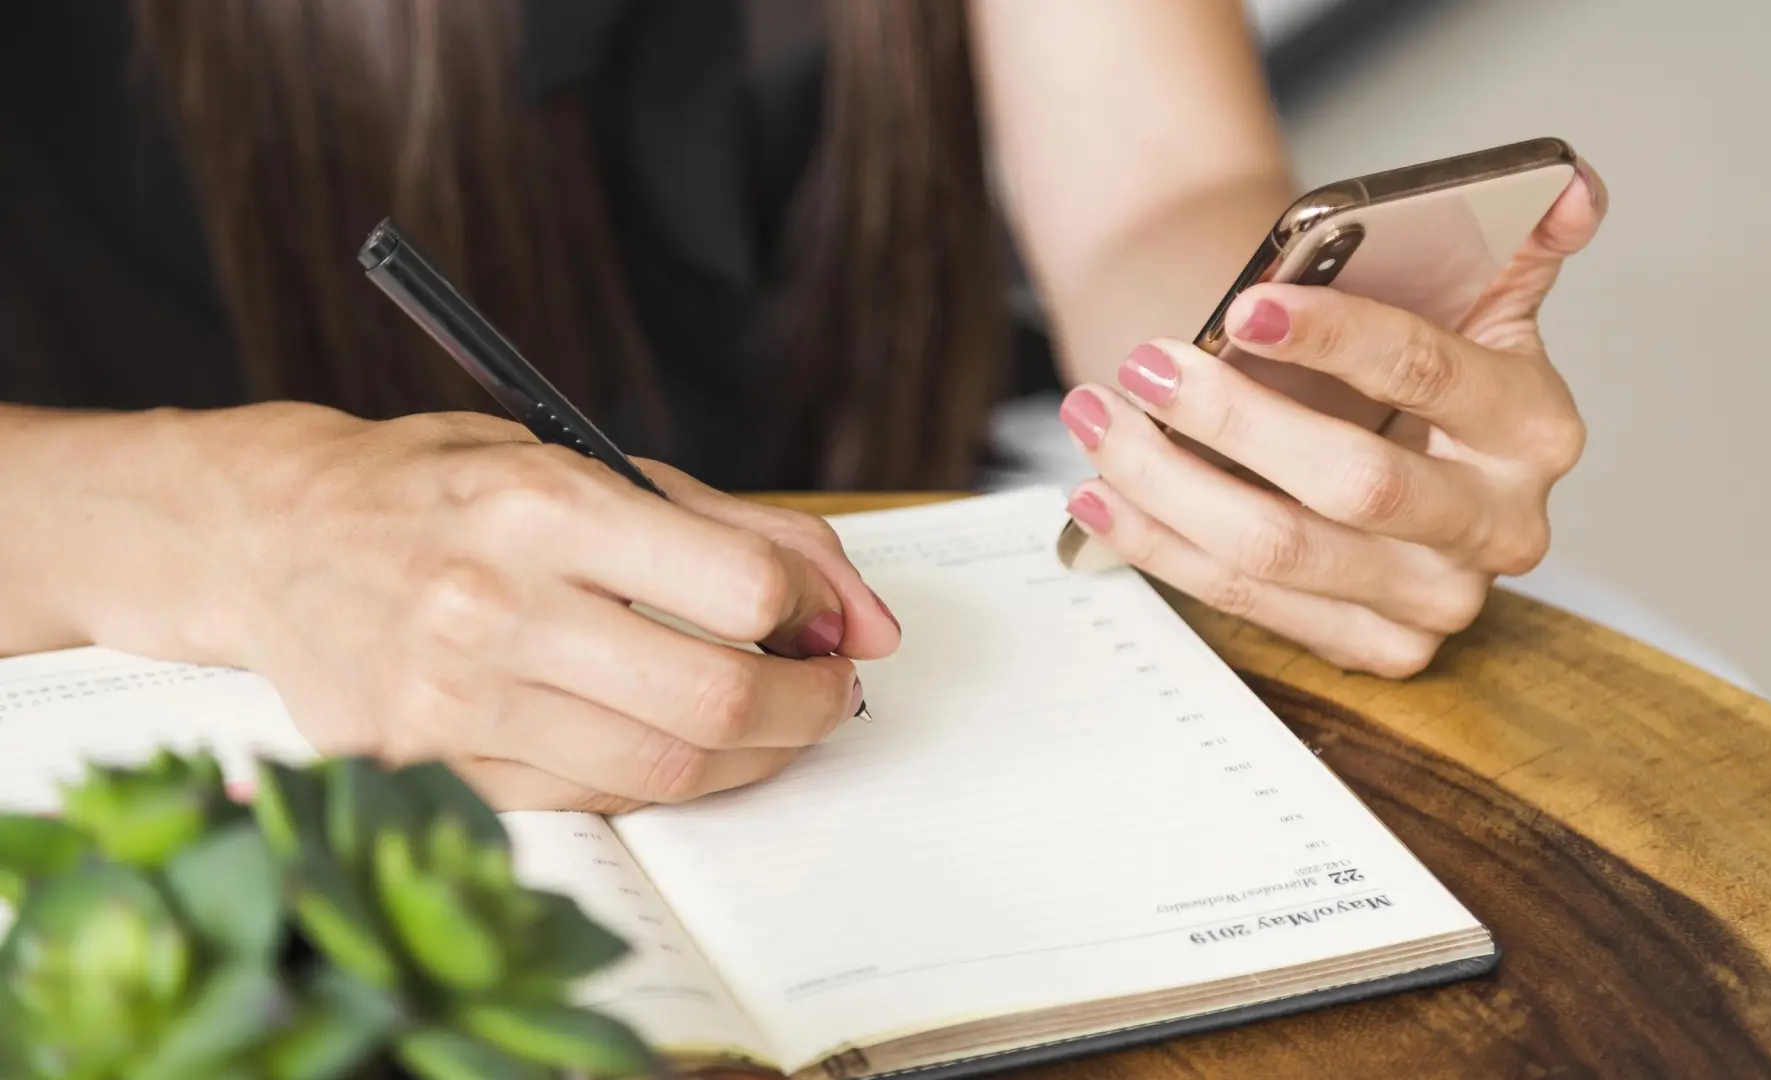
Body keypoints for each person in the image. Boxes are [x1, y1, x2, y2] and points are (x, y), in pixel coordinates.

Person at [0, 0, 1606, 813]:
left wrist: (1290, 399)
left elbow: (1158, 186)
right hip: (120, 664)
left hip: (894, 610)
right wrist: (247, 521)